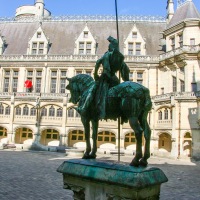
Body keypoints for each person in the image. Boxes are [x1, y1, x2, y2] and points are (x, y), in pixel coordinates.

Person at [77, 36, 130, 119]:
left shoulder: (107, 55)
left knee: (92, 90)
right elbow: (125, 70)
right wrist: (127, 81)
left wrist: (95, 74)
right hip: (115, 80)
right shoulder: (119, 58)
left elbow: (98, 62)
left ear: (110, 47)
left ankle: (84, 108)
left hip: (105, 79)